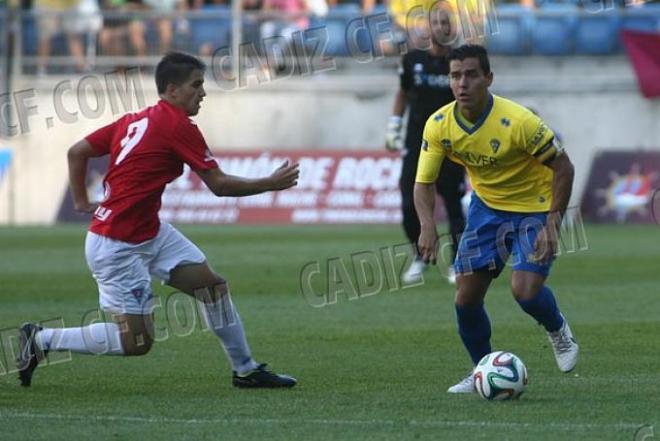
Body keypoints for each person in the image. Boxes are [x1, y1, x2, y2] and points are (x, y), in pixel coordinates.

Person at [16, 52, 300, 389]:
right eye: (197, 85)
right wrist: (270, 183)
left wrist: (81, 200)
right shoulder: (177, 125)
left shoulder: (134, 120)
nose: (203, 93)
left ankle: (246, 369)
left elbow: (77, 151)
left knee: (212, 288)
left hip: (148, 232)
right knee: (136, 343)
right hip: (118, 245)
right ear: (172, 89)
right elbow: (219, 185)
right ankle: (42, 339)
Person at [414, 44, 579, 393]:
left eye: (471, 75)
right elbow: (424, 183)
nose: (463, 83)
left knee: (526, 293)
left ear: (488, 78)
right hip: (487, 209)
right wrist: (427, 226)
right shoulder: (440, 124)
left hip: (534, 206)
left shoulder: (519, 122)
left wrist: (553, 222)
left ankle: (557, 328)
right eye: (456, 75)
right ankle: (480, 371)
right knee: (466, 298)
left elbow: (564, 167)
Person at [385, 7, 465, 284]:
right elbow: (403, 94)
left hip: (452, 147)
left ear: (452, 28)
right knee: (409, 204)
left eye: (446, 22)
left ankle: (457, 262)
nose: (441, 27)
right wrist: (394, 124)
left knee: (454, 205)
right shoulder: (412, 60)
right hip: (417, 145)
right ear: (426, 28)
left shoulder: (460, 62)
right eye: (436, 22)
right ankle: (419, 255)